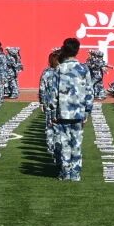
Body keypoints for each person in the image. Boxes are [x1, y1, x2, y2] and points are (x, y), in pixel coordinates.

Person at [40, 41, 92, 180]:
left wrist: (52, 112)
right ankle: (75, 173)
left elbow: (53, 93)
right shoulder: (84, 69)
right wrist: (87, 111)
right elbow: (89, 92)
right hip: (79, 112)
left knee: (64, 144)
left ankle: (65, 172)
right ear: (77, 50)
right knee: (76, 143)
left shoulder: (59, 69)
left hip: (62, 112)